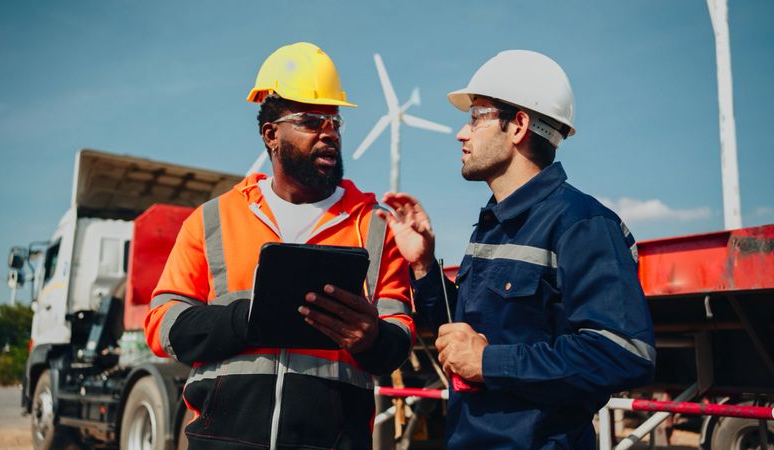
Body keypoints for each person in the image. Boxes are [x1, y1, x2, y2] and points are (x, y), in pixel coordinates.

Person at [378, 49, 656, 449]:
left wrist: (490, 363)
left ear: (519, 125)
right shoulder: (493, 224)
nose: (462, 133)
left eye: (476, 117)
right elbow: (465, 334)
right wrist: (424, 267)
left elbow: (625, 354)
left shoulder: (582, 224)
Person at [144, 42, 415, 450]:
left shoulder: (375, 225)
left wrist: (372, 337)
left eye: (335, 123)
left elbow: (399, 334)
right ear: (271, 134)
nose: (329, 134)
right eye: (311, 121)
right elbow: (162, 325)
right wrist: (245, 320)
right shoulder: (212, 219)